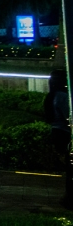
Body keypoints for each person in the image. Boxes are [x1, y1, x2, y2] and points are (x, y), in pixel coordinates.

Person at [42, 69, 72, 204]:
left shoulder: (51, 95)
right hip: (65, 133)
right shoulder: (62, 96)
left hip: (57, 131)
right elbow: (69, 116)